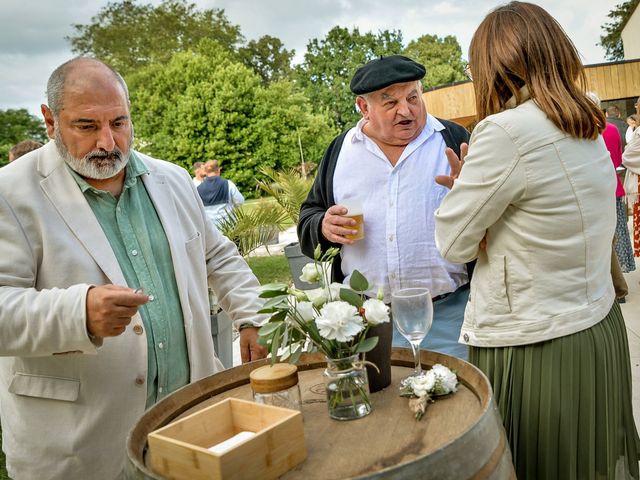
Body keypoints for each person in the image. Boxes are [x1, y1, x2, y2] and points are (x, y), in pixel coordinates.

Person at [0, 57, 267, 480]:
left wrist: (252, 316)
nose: (108, 142)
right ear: (50, 121)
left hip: (188, 421)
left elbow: (216, 255)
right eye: (87, 126)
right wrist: (78, 312)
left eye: (119, 123)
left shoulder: (174, 179)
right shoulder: (9, 194)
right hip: (79, 446)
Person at [434, 3, 640, 478]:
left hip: (536, 343)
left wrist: (468, 196)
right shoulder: (585, 118)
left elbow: (453, 243)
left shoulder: (505, 131)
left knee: (538, 466)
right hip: (596, 326)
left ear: (493, 67)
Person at [298, 55, 471, 360]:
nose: (406, 110)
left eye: (413, 97)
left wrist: (471, 197)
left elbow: (497, 218)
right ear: (364, 108)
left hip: (450, 317)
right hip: (366, 323)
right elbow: (309, 216)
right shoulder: (341, 151)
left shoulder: (454, 140)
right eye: (390, 102)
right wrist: (323, 226)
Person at [197, 159, 244, 228]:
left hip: (212, 229)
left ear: (206, 172)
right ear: (218, 170)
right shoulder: (228, 184)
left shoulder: (198, 189)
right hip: (230, 227)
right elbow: (240, 201)